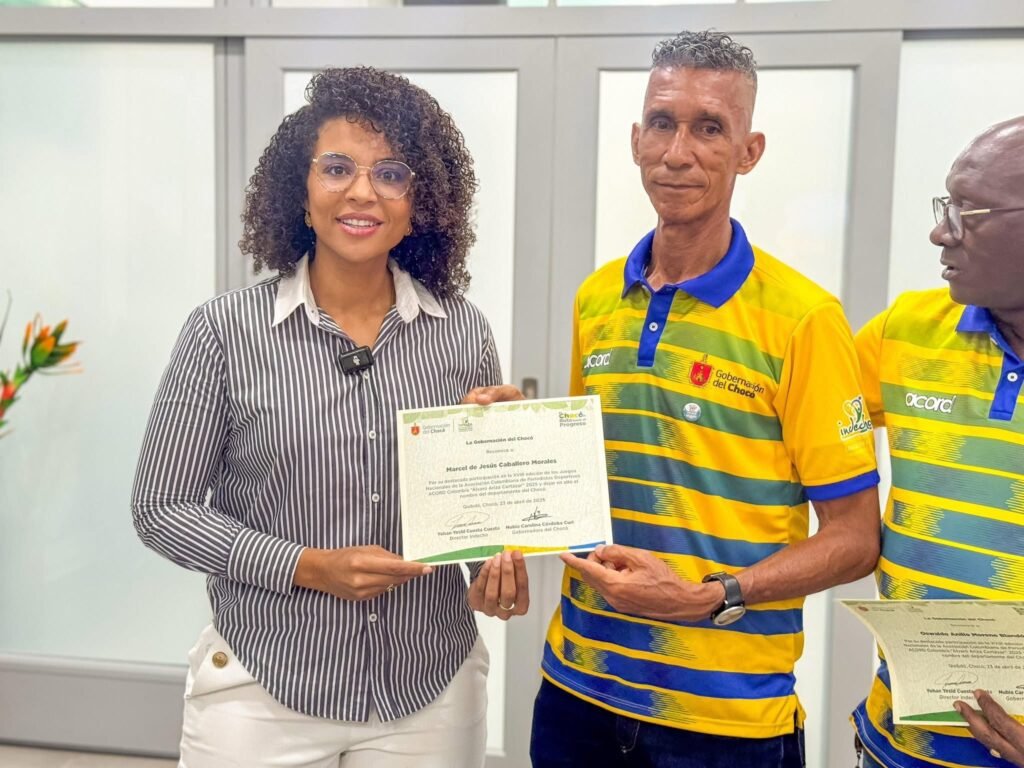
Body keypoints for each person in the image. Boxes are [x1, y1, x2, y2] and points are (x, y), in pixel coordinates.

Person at [131, 66, 528, 768]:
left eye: (391, 174)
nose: (362, 192)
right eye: (338, 168)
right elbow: (161, 508)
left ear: (419, 203)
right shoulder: (222, 332)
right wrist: (306, 567)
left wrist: (496, 553)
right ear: (301, 192)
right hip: (263, 683)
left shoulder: (463, 331)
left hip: (429, 687)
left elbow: (468, 522)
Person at [529, 30, 882, 768]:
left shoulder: (804, 320)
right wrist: (505, 438)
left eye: (709, 128)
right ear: (636, 139)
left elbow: (855, 538)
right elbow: (581, 483)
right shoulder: (597, 298)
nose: (678, 152)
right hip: (574, 693)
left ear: (749, 151)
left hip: (725, 721)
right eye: (662, 123)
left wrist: (714, 595)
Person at [851, 116, 1024, 768]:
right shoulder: (906, 332)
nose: (940, 232)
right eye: (944, 206)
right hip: (893, 744)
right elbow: (778, 427)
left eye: (967, 212)